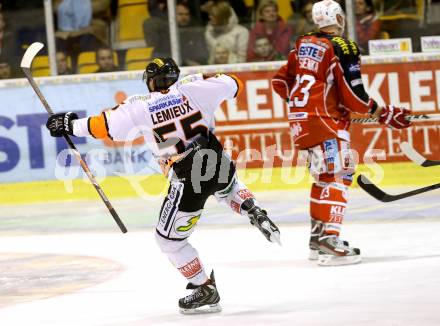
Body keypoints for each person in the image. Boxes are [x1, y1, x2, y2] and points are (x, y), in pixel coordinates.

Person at [45, 57, 281, 313]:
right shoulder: (192, 87)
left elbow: (103, 126)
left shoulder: (138, 105)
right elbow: (234, 84)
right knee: (225, 185)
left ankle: (204, 288)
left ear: (150, 82)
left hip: (187, 174)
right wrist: (204, 80)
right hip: (214, 156)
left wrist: (69, 123)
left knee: (169, 241)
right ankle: (251, 208)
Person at [271, 0, 411, 266]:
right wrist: (385, 113)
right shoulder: (342, 46)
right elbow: (355, 98)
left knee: (324, 177)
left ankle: (317, 240)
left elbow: (280, 81)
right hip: (326, 123)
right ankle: (329, 242)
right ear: (339, 17)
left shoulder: (301, 44)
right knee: (340, 174)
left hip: (303, 122)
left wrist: (306, 107)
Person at [176, 1, 209, 66]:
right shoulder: (168, 33)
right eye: (180, 14)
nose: (184, 17)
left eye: (186, 14)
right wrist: (186, 61)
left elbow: (203, 55)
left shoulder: (197, 31)